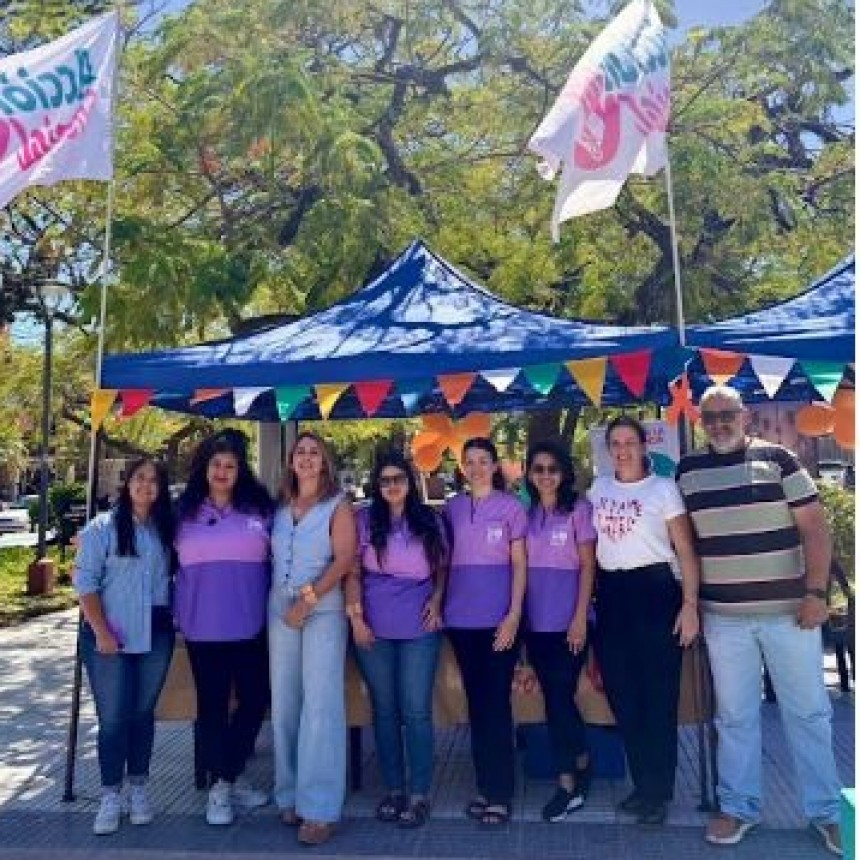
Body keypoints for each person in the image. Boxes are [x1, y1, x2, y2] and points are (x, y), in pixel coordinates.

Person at [677, 385, 843, 855]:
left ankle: (827, 812)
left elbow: (815, 529)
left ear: (745, 416)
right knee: (734, 719)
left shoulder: (780, 460)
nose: (719, 424)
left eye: (727, 414)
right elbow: (685, 541)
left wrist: (816, 593)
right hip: (724, 619)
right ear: (700, 423)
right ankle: (739, 807)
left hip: (790, 615)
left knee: (808, 713)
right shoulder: (688, 472)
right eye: (710, 418)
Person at [588, 415, 700, 826]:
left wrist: (689, 606)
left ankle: (659, 791)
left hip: (655, 592)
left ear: (643, 446)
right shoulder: (597, 490)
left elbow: (685, 550)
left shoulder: (663, 489)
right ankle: (641, 785)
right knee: (624, 695)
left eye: (629, 442)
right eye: (615, 443)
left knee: (658, 697)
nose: (622, 450)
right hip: (613, 597)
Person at [174, 429, 273, 826]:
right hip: (202, 630)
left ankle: (228, 775)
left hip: (252, 627)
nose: (222, 471)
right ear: (205, 468)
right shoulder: (182, 513)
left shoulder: (260, 510)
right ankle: (220, 789)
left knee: (254, 702)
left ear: (240, 470)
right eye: (216, 464)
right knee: (212, 709)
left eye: (230, 465)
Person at [345, 450, 448, 828]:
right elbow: (352, 572)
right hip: (373, 627)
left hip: (420, 627)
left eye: (398, 480)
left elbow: (443, 569)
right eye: (385, 480)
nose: (392, 486)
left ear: (410, 483)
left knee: (416, 710)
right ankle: (394, 789)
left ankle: (419, 793)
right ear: (377, 485)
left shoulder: (429, 520)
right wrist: (355, 617)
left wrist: (438, 601)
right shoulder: (362, 520)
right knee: (384, 711)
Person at [74, 457, 176, 835]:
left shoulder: (167, 527)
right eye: (139, 478)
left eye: (154, 480)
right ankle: (110, 793)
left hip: (156, 632)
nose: (146, 485)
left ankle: (138, 787)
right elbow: (85, 582)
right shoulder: (103, 527)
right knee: (113, 717)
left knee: (142, 713)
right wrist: (101, 631)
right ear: (127, 483)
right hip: (111, 633)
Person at [269, 431, 356, 846]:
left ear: (325, 462)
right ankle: (288, 793)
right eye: (300, 452)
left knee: (320, 705)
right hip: (279, 609)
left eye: (314, 453)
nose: (306, 459)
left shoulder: (338, 506)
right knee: (286, 702)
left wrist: (309, 599)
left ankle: (320, 807)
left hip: (321, 608)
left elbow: (344, 560)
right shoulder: (281, 508)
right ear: (291, 461)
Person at [443, 436, 527, 827]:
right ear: (462, 466)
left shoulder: (511, 507)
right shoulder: (452, 508)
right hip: (461, 623)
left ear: (495, 466)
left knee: (496, 706)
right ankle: (484, 785)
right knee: (477, 707)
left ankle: (500, 793)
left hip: (499, 624)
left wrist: (513, 615)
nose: (476, 467)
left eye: (483, 460)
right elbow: (441, 562)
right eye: (469, 461)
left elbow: (520, 565)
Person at [522, 440, 597, 822]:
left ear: (564, 473)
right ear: (530, 474)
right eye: (539, 469)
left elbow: (588, 567)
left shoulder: (579, 511)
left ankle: (568, 783)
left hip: (569, 624)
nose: (546, 476)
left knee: (558, 699)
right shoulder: (527, 512)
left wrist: (580, 617)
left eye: (553, 469)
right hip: (535, 625)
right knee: (554, 698)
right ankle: (582, 759)